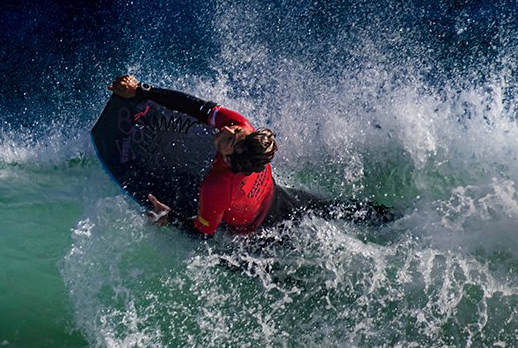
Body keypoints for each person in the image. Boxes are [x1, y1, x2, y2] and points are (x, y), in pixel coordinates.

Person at [109, 75, 397, 237]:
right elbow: (195, 107)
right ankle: (401, 218)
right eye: (233, 130)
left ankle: (398, 221)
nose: (227, 130)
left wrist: (169, 218)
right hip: (284, 197)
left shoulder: (217, 188)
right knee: (340, 209)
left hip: (258, 235)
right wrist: (142, 90)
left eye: (230, 139)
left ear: (233, 162)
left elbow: (202, 234)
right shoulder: (243, 127)